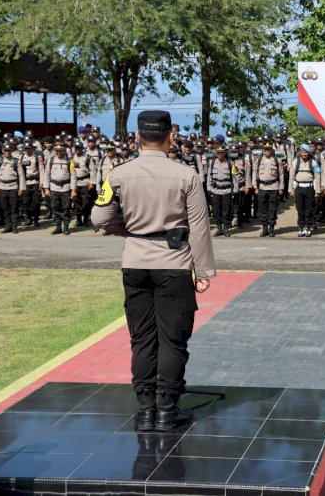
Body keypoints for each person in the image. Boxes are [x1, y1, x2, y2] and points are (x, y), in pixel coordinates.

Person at [91, 110, 215, 432]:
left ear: (137, 137)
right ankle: (166, 411)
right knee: (173, 340)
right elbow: (200, 228)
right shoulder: (186, 175)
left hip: (134, 261)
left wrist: (130, 232)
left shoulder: (118, 173)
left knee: (142, 339)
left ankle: (145, 410)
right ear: (170, 136)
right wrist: (203, 272)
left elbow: (99, 218)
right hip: (173, 264)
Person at [289, 144, 321, 237]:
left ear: (309, 153)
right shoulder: (295, 162)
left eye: (306, 152)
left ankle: (308, 227)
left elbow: (317, 177)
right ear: (299, 152)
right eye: (302, 152)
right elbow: (291, 177)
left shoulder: (314, 163)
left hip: (310, 188)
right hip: (299, 188)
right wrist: (290, 190)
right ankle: (301, 227)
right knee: (300, 209)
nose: (304, 154)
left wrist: (317, 191)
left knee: (309, 209)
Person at [253, 142, 285, 237]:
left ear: (272, 150)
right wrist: (255, 187)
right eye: (265, 149)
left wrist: (281, 187)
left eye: (269, 149)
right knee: (263, 208)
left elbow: (281, 175)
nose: (267, 151)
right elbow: (254, 174)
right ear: (263, 150)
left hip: (273, 187)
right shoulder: (258, 160)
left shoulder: (277, 160)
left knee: (272, 208)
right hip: (262, 187)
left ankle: (271, 228)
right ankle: (264, 229)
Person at [44, 143, 76, 235]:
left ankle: (66, 227)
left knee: (66, 208)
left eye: (60, 150)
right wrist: (46, 188)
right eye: (57, 150)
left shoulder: (69, 160)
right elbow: (47, 175)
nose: (58, 152)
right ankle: (58, 227)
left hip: (65, 188)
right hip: (54, 187)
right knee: (55, 207)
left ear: (64, 150)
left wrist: (73, 189)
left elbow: (73, 176)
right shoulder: (51, 160)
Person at [206, 145, 237, 237]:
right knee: (216, 211)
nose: (220, 154)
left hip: (226, 191)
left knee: (226, 211)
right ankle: (219, 229)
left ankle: (226, 228)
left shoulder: (230, 163)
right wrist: (209, 190)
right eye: (218, 152)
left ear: (225, 153)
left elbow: (235, 178)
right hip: (215, 190)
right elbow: (209, 177)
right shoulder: (212, 163)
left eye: (221, 152)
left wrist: (235, 190)